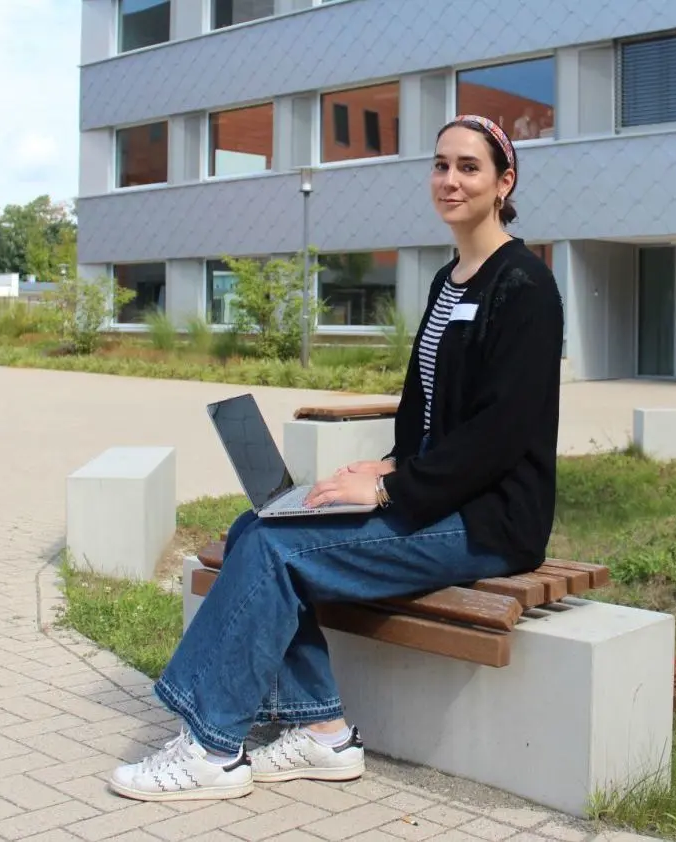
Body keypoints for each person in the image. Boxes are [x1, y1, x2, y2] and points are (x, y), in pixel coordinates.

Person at [107, 115, 564, 802]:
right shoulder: (450, 281)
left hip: (488, 521)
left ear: (505, 183)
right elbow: (429, 412)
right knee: (253, 529)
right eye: (441, 164)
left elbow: (500, 434)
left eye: (469, 167)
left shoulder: (525, 287)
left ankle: (210, 748)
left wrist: (389, 491)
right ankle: (322, 733)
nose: (450, 180)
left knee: (276, 552)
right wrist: (385, 466)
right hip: (435, 495)